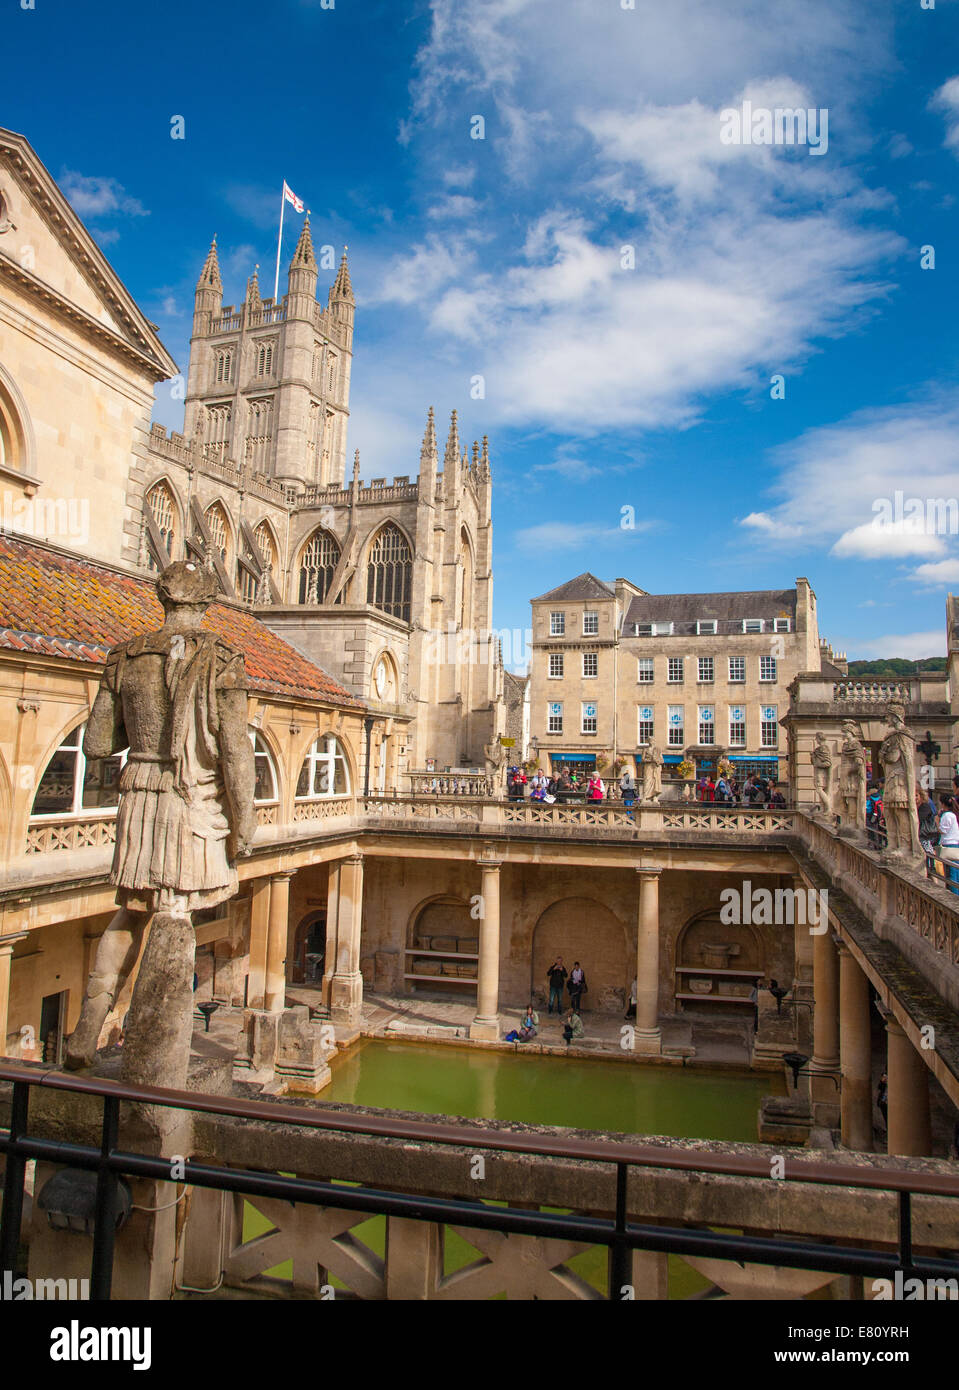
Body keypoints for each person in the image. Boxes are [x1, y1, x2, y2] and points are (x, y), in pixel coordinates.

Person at [937, 792, 959, 865]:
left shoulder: (947, 815)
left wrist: (937, 821)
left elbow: (942, 830)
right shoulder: (951, 815)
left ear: (943, 804)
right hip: (953, 843)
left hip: (949, 844)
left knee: (952, 867)